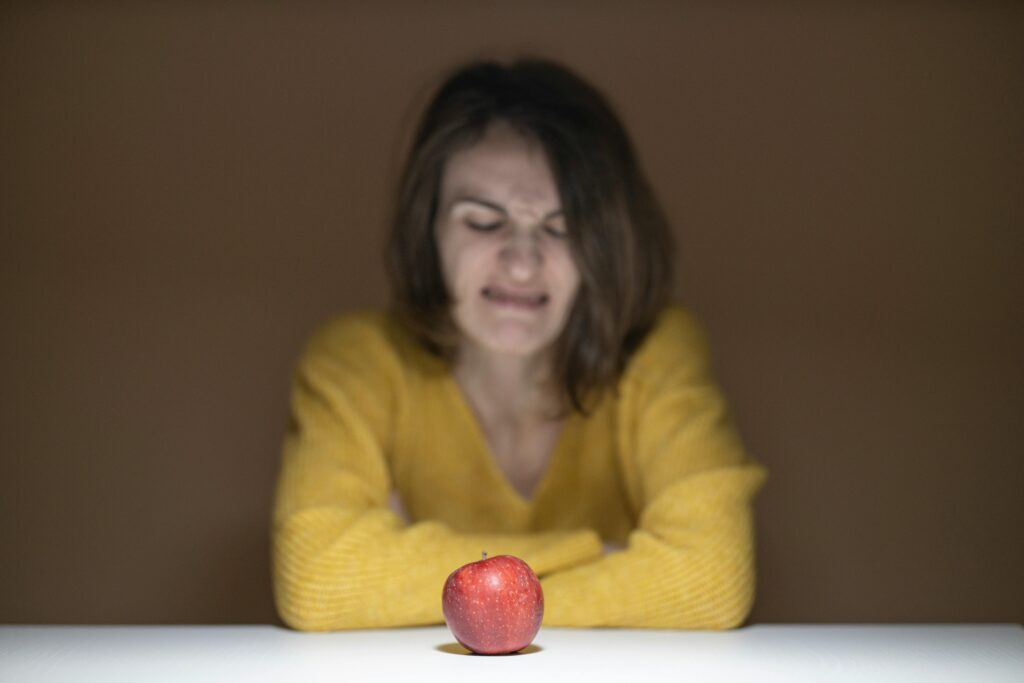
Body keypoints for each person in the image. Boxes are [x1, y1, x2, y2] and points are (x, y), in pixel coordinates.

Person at [271, 59, 766, 631]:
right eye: (484, 222)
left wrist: (406, 566)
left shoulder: (657, 350)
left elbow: (711, 581)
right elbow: (318, 578)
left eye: (561, 227)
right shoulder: (355, 361)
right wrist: (602, 555)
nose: (523, 264)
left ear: (604, 244)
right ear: (427, 229)